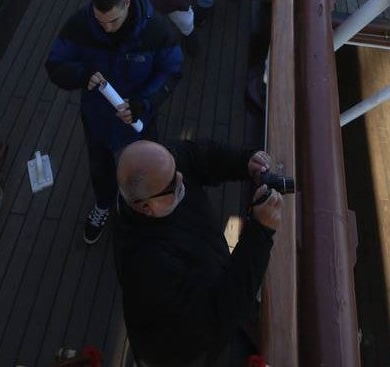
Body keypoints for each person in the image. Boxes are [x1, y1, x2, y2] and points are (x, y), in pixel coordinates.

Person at [114, 137, 282, 367]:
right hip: (180, 351)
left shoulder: (163, 175)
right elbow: (216, 315)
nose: (182, 177)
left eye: (175, 166)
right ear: (146, 207)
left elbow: (196, 156)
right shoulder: (146, 266)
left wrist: (244, 162)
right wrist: (261, 232)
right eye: (173, 183)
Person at [44, 0, 182, 246]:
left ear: (128, 4)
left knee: (146, 170)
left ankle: (145, 211)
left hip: (140, 119)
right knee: (99, 166)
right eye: (100, 21)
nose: (107, 28)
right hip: (97, 117)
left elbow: (172, 70)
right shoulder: (79, 26)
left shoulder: (157, 31)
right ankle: (104, 203)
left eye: (114, 21)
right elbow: (55, 64)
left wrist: (145, 103)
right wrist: (80, 75)